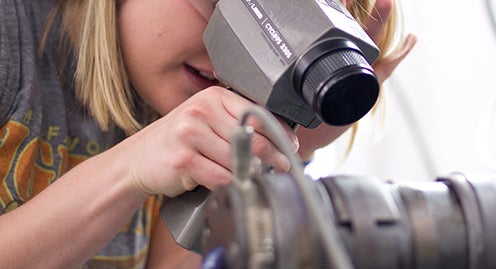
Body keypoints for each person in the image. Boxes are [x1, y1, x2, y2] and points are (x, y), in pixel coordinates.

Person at [0, 0, 416, 268]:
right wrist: (128, 171)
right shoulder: (10, 31)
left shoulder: (186, 111)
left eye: (281, 44)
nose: (236, 53)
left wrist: (282, 136)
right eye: (221, 5)